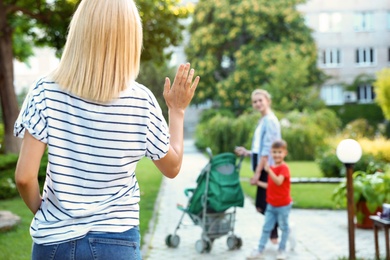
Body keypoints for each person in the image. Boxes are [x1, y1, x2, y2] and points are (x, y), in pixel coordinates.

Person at [13, 1, 199, 259]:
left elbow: (24, 177)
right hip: (118, 242)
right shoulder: (141, 101)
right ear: (131, 38)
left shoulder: (44, 91)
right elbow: (172, 167)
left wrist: (47, 216)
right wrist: (177, 112)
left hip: (54, 244)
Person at [235, 89, 281, 243]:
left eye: (260, 100)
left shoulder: (270, 120)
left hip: (267, 169)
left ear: (268, 100)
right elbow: (259, 148)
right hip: (261, 166)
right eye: (255, 101)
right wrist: (247, 152)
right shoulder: (262, 121)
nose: (257, 104)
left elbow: (268, 150)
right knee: (263, 205)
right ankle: (275, 233)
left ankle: (278, 232)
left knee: (263, 205)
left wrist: (257, 173)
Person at [247, 140, 292, 260]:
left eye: (280, 152)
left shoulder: (284, 168)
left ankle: (282, 250)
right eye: (274, 152)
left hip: (283, 205)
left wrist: (268, 171)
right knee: (266, 228)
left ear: (285, 153)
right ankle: (259, 250)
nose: (277, 154)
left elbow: (278, 181)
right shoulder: (272, 167)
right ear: (271, 153)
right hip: (271, 205)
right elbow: (270, 185)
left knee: (284, 227)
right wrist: (257, 183)